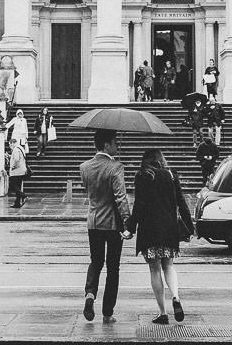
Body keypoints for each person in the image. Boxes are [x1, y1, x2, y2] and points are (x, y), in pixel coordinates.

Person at [126, 149, 194, 325]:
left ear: (145, 161)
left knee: (155, 270)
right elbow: (181, 201)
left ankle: (163, 313)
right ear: (161, 160)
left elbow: (139, 205)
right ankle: (176, 297)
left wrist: (130, 227)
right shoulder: (171, 175)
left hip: (149, 229)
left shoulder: (142, 176)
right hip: (170, 228)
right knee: (169, 266)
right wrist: (190, 226)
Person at [79, 129, 132, 323]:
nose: (117, 145)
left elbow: (90, 192)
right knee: (113, 267)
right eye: (115, 142)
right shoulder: (115, 167)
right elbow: (120, 198)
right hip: (112, 224)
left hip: (93, 221)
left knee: (96, 260)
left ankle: (90, 294)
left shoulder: (84, 167)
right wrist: (128, 222)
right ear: (107, 145)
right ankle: (108, 312)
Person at [9, 141, 30, 208]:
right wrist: (10, 156)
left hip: (16, 171)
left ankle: (23, 195)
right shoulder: (21, 148)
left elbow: (17, 159)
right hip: (21, 170)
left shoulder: (16, 149)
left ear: (12, 143)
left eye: (10, 145)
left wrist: (13, 167)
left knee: (12, 185)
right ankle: (17, 203)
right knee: (18, 186)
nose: (10, 146)